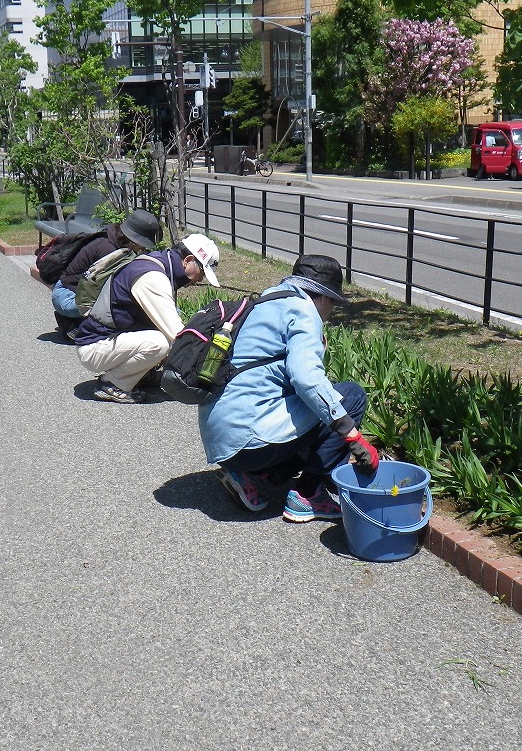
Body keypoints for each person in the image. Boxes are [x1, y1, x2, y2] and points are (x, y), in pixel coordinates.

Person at [197, 254, 384, 522]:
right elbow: (307, 379)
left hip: (220, 436)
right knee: (350, 396)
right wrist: (351, 434)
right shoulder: (304, 311)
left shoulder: (265, 301)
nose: (331, 311)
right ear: (323, 297)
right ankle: (307, 495)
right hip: (249, 438)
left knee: (310, 404)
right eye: (333, 302)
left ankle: (256, 475)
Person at [72, 233, 221, 404]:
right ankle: (113, 383)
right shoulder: (152, 278)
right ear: (187, 261)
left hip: (109, 340)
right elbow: (178, 335)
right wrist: (209, 362)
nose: (200, 279)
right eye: (202, 272)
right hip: (94, 346)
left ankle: (139, 373)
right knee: (160, 343)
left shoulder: (158, 262)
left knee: (162, 335)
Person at [43, 210, 162, 338]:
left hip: (75, 294)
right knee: (114, 302)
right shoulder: (109, 250)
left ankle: (76, 321)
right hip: (66, 296)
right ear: (133, 241)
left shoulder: (115, 241)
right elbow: (110, 289)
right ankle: (75, 323)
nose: (142, 249)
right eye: (142, 246)